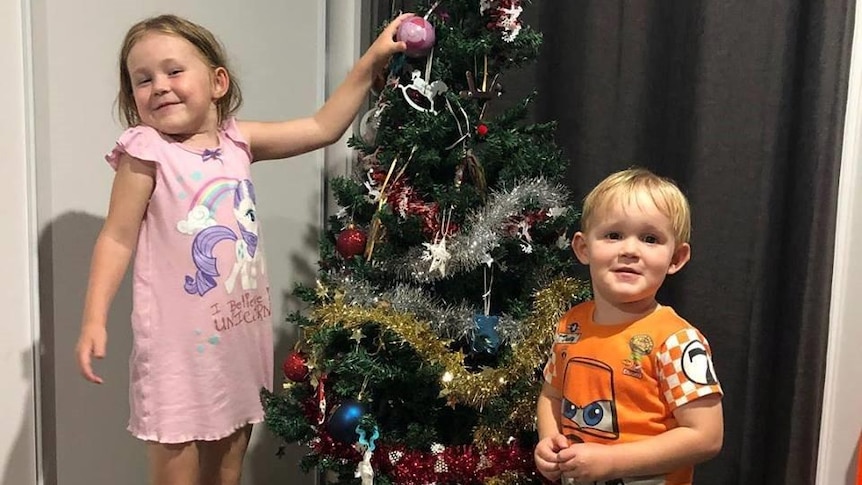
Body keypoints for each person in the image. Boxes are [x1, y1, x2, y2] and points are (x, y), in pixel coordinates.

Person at [74, 13, 409, 485]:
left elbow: (322, 126)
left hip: (237, 344)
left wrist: (372, 58)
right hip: (177, 356)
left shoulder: (237, 140)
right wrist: (93, 317)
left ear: (217, 82)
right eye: (142, 80)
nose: (159, 87)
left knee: (226, 476)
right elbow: (116, 235)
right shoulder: (146, 150)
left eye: (173, 71)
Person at [534, 168, 724, 485]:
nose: (630, 250)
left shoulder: (676, 340)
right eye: (613, 235)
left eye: (650, 239)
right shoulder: (571, 324)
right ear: (583, 248)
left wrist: (611, 462)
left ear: (676, 258)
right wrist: (548, 441)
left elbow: (706, 436)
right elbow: (551, 395)